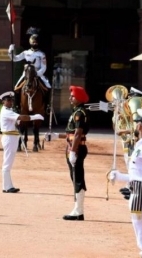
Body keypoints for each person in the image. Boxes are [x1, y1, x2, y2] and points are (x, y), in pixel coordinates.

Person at [109, 108, 142, 258]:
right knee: (140, 231)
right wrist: (120, 177)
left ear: (139, 126)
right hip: (136, 193)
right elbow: (137, 176)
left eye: (136, 122)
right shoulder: (141, 146)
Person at [45, 85, 90, 220]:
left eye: (73, 96)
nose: (70, 98)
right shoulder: (76, 111)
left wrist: (73, 151)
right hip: (72, 147)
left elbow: (77, 134)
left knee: (77, 178)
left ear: (79, 98)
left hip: (76, 148)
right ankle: (77, 209)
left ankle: (79, 210)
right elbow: (71, 134)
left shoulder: (79, 113)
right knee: (74, 177)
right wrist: (56, 136)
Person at [0, 91, 44, 193]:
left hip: (12, 137)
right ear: (3, 102)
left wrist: (17, 122)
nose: (11, 102)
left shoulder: (8, 110)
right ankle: (7, 187)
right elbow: (22, 117)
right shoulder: (7, 111)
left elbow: (16, 120)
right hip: (9, 138)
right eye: (8, 100)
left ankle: (7, 186)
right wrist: (35, 117)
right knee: (7, 163)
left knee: (8, 163)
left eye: (12, 100)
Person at [8, 27, 51, 111]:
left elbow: (44, 67)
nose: (34, 43)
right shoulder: (26, 52)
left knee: (48, 87)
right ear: (30, 42)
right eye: (33, 41)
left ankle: (47, 106)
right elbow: (15, 59)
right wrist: (10, 51)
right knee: (16, 88)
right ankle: (16, 106)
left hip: (38, 74)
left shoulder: (41, 54)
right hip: (26, 75)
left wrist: (37, 74)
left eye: (36, 42)